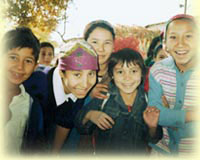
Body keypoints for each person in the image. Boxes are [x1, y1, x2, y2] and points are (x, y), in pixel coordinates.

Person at [75, 48, 163, 155]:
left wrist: (152, 127)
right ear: (112, 74)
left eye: (133, 71)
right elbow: (79, 125)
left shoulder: (148, 100)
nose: (127, 78)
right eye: (120, 72)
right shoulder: (104, 96)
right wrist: (90, 115)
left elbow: (154, 139)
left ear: (142, 73)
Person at [24, 38, 98, 153]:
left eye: (91, 74)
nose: (85, 84)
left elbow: (65, 122)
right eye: (77, 74)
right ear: (61, 72)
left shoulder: (78, 93)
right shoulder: (36, 83)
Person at [148, 14, 199, 156]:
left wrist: (170, 114)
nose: (180, 43)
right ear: (165, 44)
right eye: (173, 37)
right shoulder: (158, 70)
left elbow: (163, 115)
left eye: (188, 36)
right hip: (163, 150)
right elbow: (155, 114)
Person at [2, 27, 44, 154]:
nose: (20, 67)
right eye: (13, 57)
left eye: (28, 61)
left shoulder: (32, 106)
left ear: (35, 67)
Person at [84, 20, 115, 100]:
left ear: (113, 46)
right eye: (95, 42)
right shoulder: (73, 73)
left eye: (107, 43)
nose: (101, 49)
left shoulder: (120, 72)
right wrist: (87, 94)